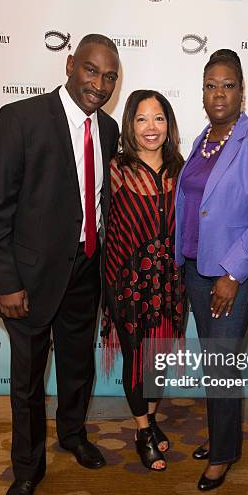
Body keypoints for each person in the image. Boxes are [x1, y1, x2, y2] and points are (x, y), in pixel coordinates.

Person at [0, 34, 120, 495]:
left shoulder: (107, 129)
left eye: (109, 77)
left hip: (86, 273)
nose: (99, 85)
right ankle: (26, 471)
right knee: (25, 382)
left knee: (77, 366)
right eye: (91, 71)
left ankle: (72, 435)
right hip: (28, 280)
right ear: (69, 64)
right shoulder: (19, 120)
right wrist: (5, 282)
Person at [175, 49, 248, 491]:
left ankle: (221, 455)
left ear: (242, 90)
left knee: (220, 362)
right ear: (202, 92)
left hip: (235, 274)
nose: (219, 93)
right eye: (211, 85)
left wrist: (233, 274)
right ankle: (224, 437)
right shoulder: (200, 143)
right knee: (216, 360)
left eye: (228, 85)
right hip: (196, 269)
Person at [103, 90, 185, 471]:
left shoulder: (180, 168)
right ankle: (141, 431)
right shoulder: (116, 168)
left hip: (169, 284)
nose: (151, 127)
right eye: (141, 119)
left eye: (158, 118)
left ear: (169, 124)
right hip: (127, 282)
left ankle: (150, 421)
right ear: (130, 126)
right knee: (137, 358)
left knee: (161, 359)